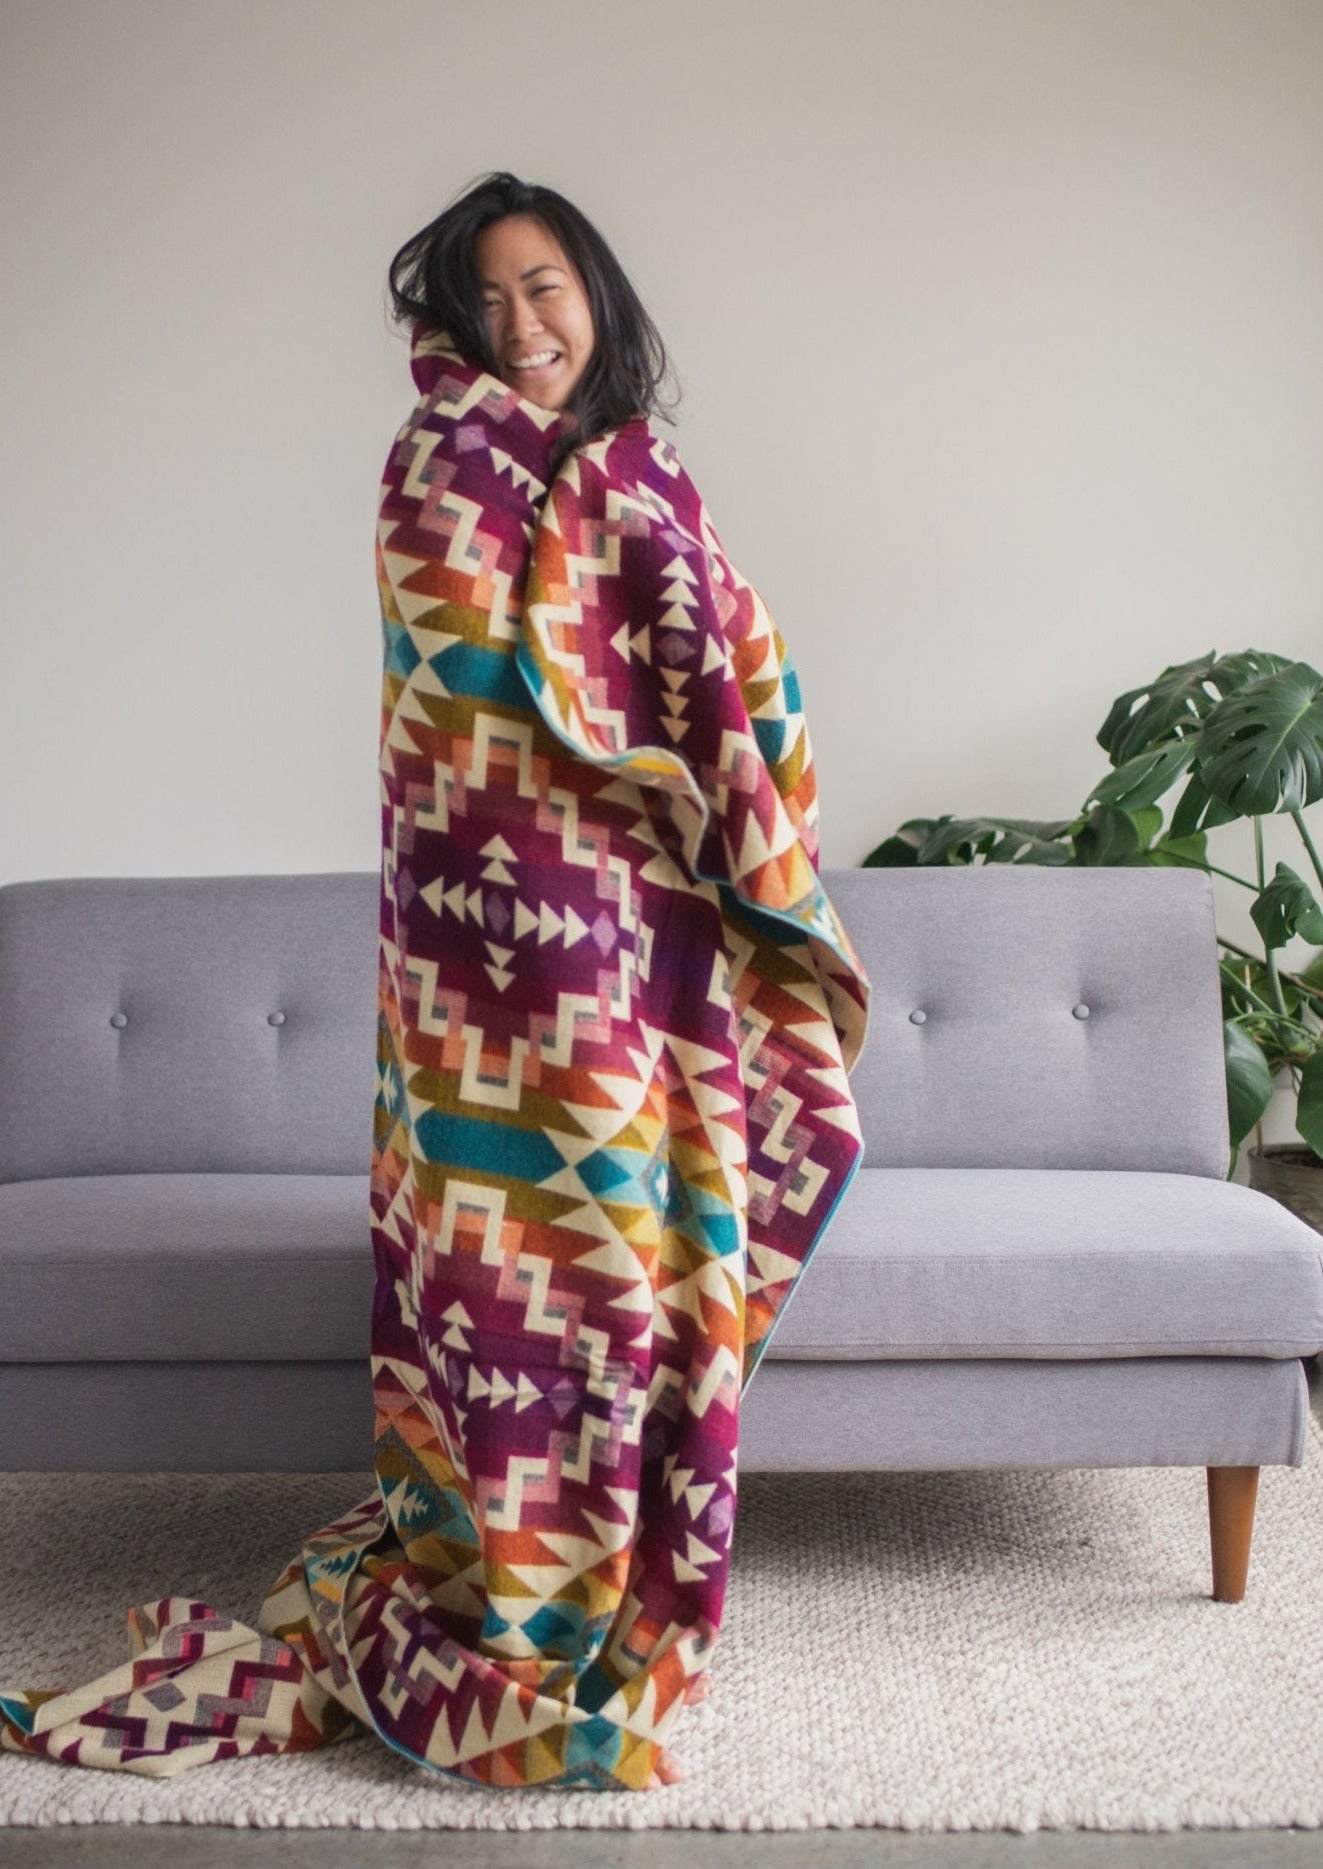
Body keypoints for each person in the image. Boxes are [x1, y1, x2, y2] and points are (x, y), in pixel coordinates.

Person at [0, 171, 869, 1794]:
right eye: (491, 302)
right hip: (492, 973)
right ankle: (510, 1598)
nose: (524, 327)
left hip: (641, 955)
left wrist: (696, 742)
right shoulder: (439, 467)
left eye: (547, 288)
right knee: (510, 1288)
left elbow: (741, 671)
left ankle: (595, 1593)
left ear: (596, 292)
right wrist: (628, 724)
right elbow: (455, 710)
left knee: (632, 1281)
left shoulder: (647, 473)